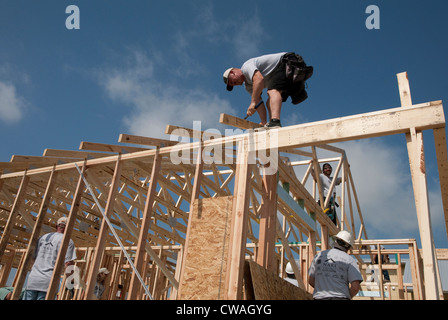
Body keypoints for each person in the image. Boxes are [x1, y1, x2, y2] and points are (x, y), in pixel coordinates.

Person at [223, 52, 313, 128]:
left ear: (233, 72)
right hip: (284, 71)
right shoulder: (248, 86)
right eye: (233, 85)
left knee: (273, 91)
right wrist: (263, 122)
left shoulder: (246, 67)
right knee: (268, 102)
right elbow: (258, 103)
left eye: (232, 81)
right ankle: (271, 124)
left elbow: (259, 79)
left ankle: (275, 122)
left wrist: (252, 102)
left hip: (288, 62)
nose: (235, 84)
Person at [24, 217, 77, 300]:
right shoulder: (68, 241)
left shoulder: (42, 238)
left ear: (56, 226)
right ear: (69, 228)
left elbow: (33, 258)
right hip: (48, 283)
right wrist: (71, 281)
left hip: (33, 280)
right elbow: (68, 263)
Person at [308, 230, 363, 300]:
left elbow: (311, 280)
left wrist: (323, 289)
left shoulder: (319, 256)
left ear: (335, 241)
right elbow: (355, 287)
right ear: (348, 247)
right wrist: (346, 296)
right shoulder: (349, 260)